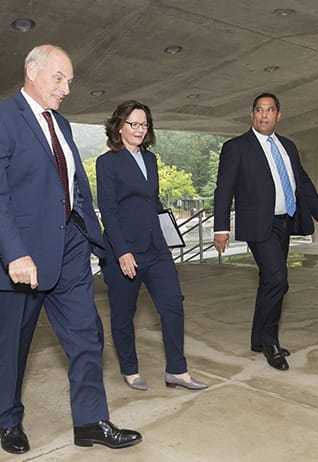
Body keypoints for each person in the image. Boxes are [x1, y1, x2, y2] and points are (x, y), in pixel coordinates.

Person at [0, 44, 142, 455]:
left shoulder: (61, 124)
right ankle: (8, 420)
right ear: (32, 72)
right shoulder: (5, 118)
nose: (65, 89)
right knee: (13, 347)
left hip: (70, 248)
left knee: (86, 337)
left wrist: (97, 241)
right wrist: (13, 253)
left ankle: (90, 422)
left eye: (69, 82)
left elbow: (76, 187)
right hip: (23, 258)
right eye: (58, 78)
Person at [214, 92, 318, 371]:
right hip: (258, 224)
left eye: (269, 110)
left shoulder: (288, 146)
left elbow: (301, 181)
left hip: (284, 222)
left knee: (270, 279)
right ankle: (270, 342)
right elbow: (224, 189)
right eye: (259, 110)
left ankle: (257, 338)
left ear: (279, 115)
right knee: (278, 279)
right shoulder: (236, 147)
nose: (264, 115)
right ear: (252, 114)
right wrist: (221, 228)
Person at [96, 100, 207, 391]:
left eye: (144, 124)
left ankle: (177, 371)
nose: (139, 129)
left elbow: (153, 203)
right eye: (133, 123)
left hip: (156, 249)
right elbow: (107, 209)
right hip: (125, 252)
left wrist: (169, 235)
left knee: (173, 306)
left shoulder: (151, 160)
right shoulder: (107, 162)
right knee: (123, 314)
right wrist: (122, 251)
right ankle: (130, 369)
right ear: (119, 126)